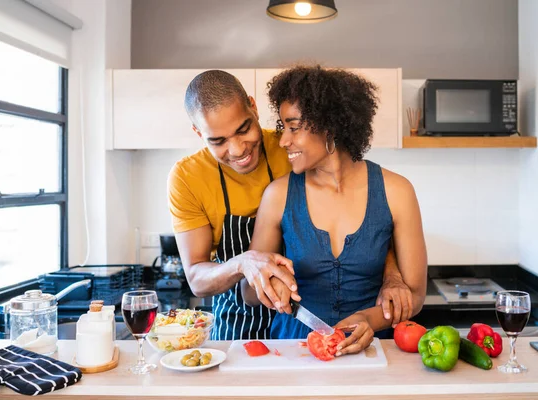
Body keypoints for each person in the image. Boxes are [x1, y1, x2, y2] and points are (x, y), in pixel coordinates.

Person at [167, 70, 414, 341]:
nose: (238, 150)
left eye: (244, 129)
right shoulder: (187, 178)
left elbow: (369, 223)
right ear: (198, 133)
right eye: (218, 141)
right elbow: (196, 279)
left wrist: (392, 272)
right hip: (238, 316)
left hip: (295, 316)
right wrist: (243, 263)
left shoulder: (296, 151)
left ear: (254, 106)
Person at [241, 65, 428, 355]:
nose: (283, 141)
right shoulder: (277, 195)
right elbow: (249, 294)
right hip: (293, 351)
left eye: (294, 127)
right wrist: (269, 284)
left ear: (329, 126)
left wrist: (369, 318)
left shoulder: (397, 191)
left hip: (373, 352)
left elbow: (415, 296)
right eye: (283, 128)